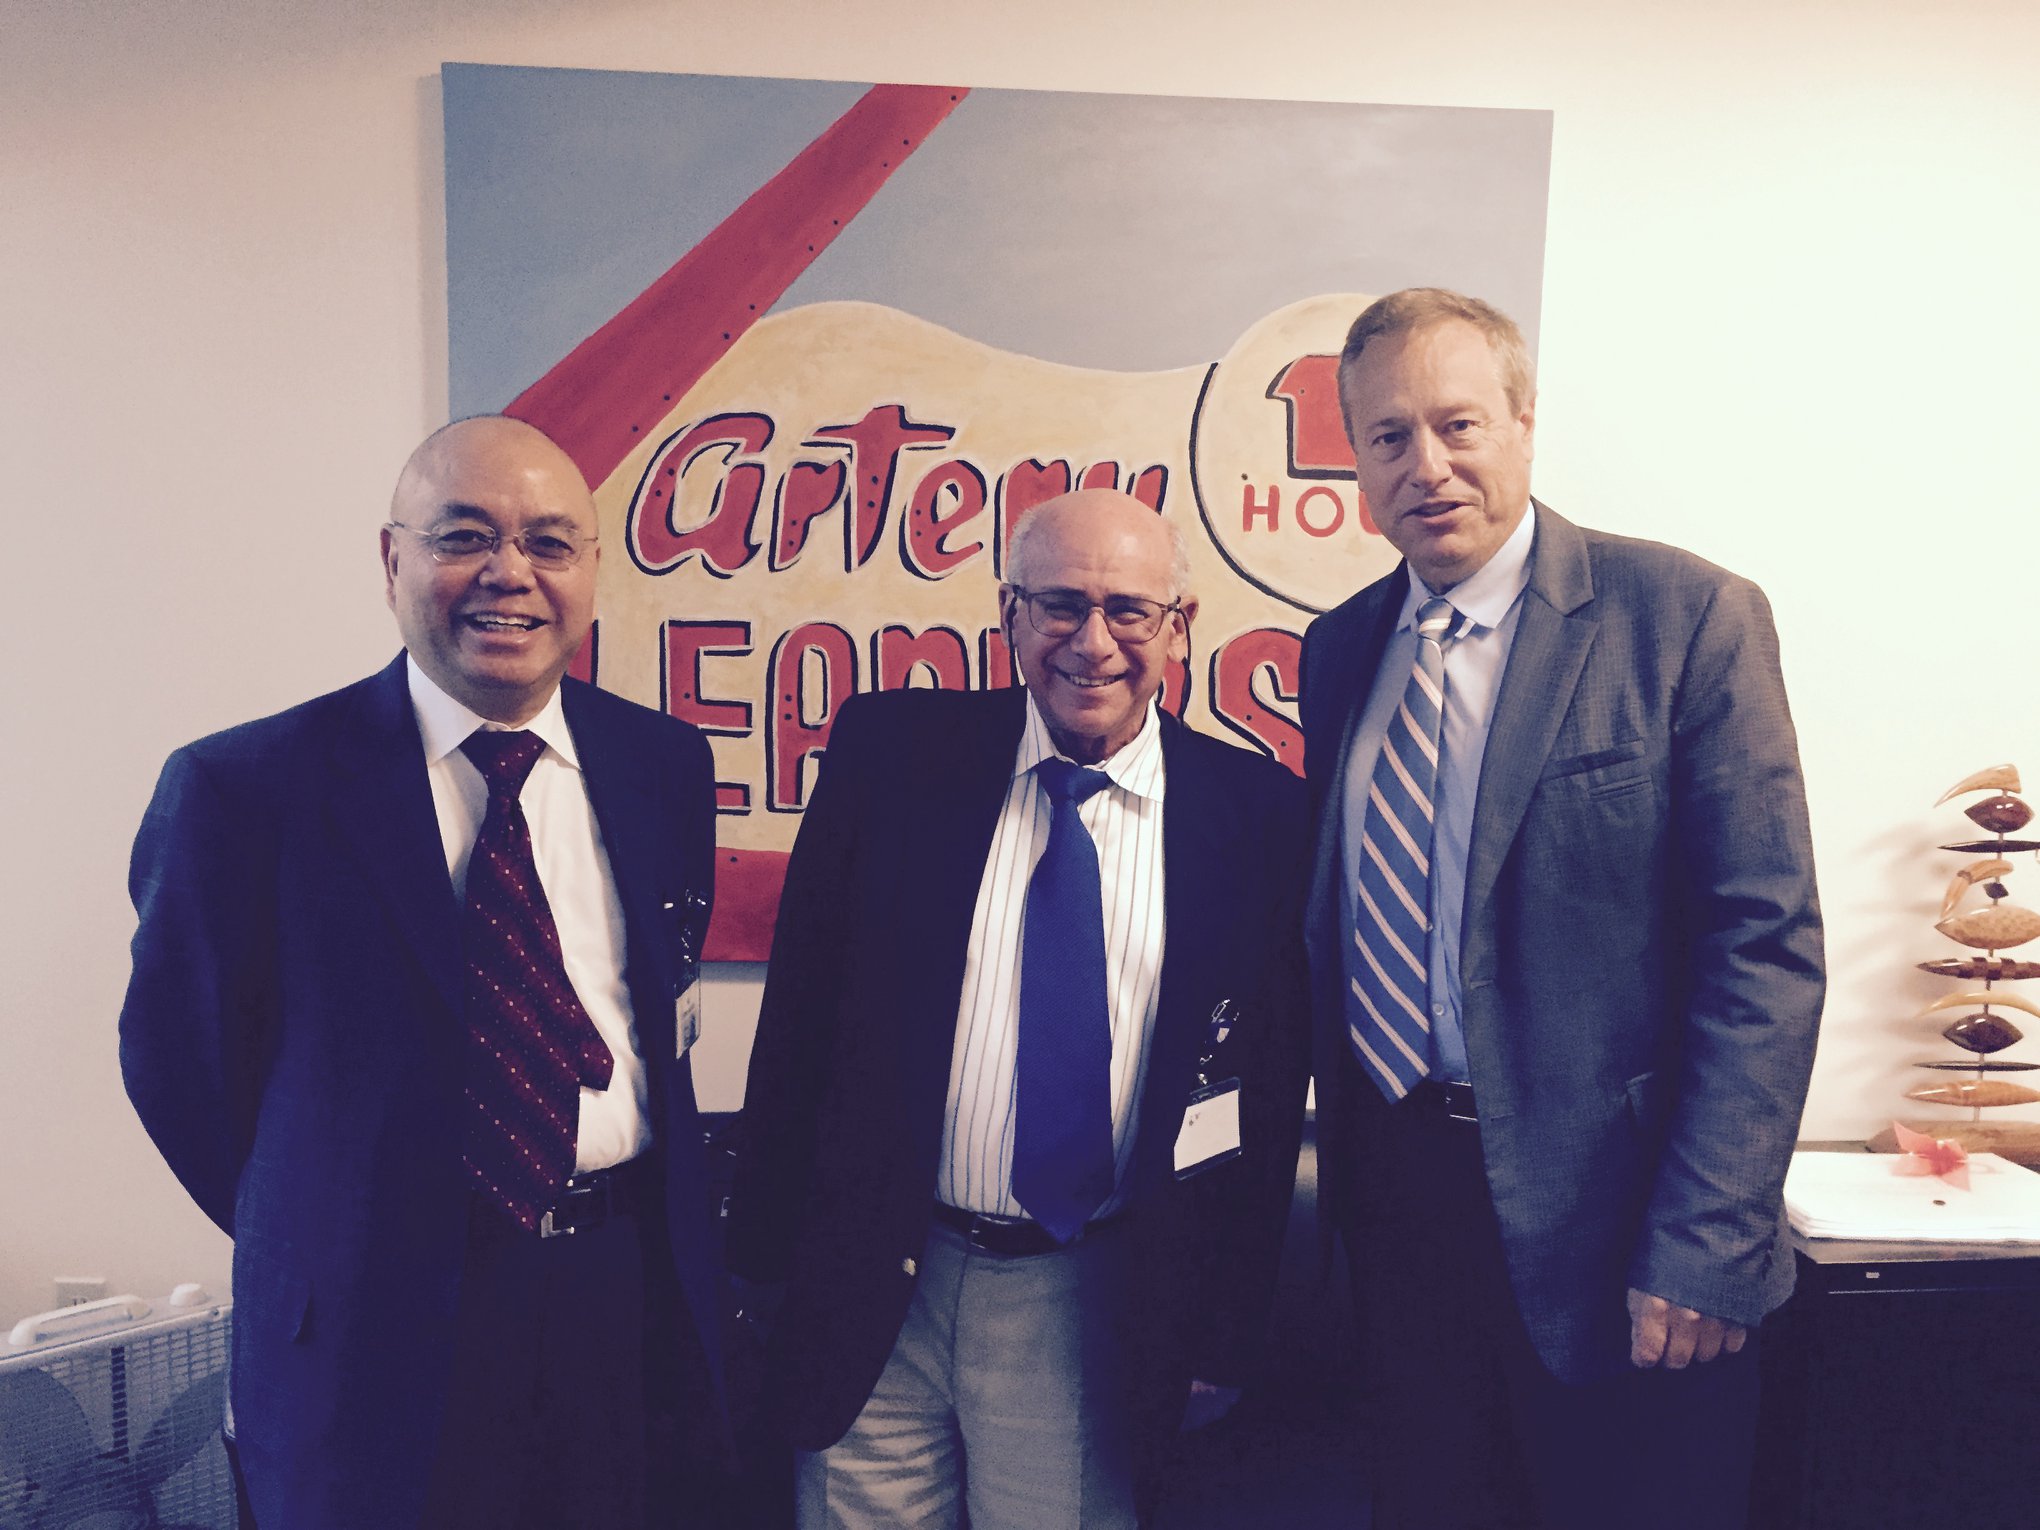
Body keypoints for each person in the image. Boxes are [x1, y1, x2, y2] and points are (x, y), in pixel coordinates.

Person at [119, 415, 726, 1529]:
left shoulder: (663, 763)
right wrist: (339, 1222)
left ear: (590, 570)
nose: (511, 573)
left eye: (550, 541)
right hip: (367, 1323)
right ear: (392, 560)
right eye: (464, 536)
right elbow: (181, 1072)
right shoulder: (245, 791)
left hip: (620, 1297)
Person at [1300, 289, 1825, 1528]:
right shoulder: (1338, 649)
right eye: (1387, 438)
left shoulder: (1684, 618)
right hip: (1398, 1215)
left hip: (1620, 1233)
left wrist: (1704, 1243)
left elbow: (1766, 952)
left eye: (1458, 424)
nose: (1425, 466)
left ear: (1526, 424)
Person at [723, 488, 1312, 1529]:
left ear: (1181, 627)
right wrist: (762, 1266)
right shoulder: (892, 757)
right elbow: (800, 1023)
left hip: (1089, 1294)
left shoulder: (1256, 816)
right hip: (876, 1283)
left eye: (1129, 610)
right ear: (1008, 614)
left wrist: (1224, 1332)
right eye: (1060, 606)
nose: (1093, 643)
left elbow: (1262, 1107)